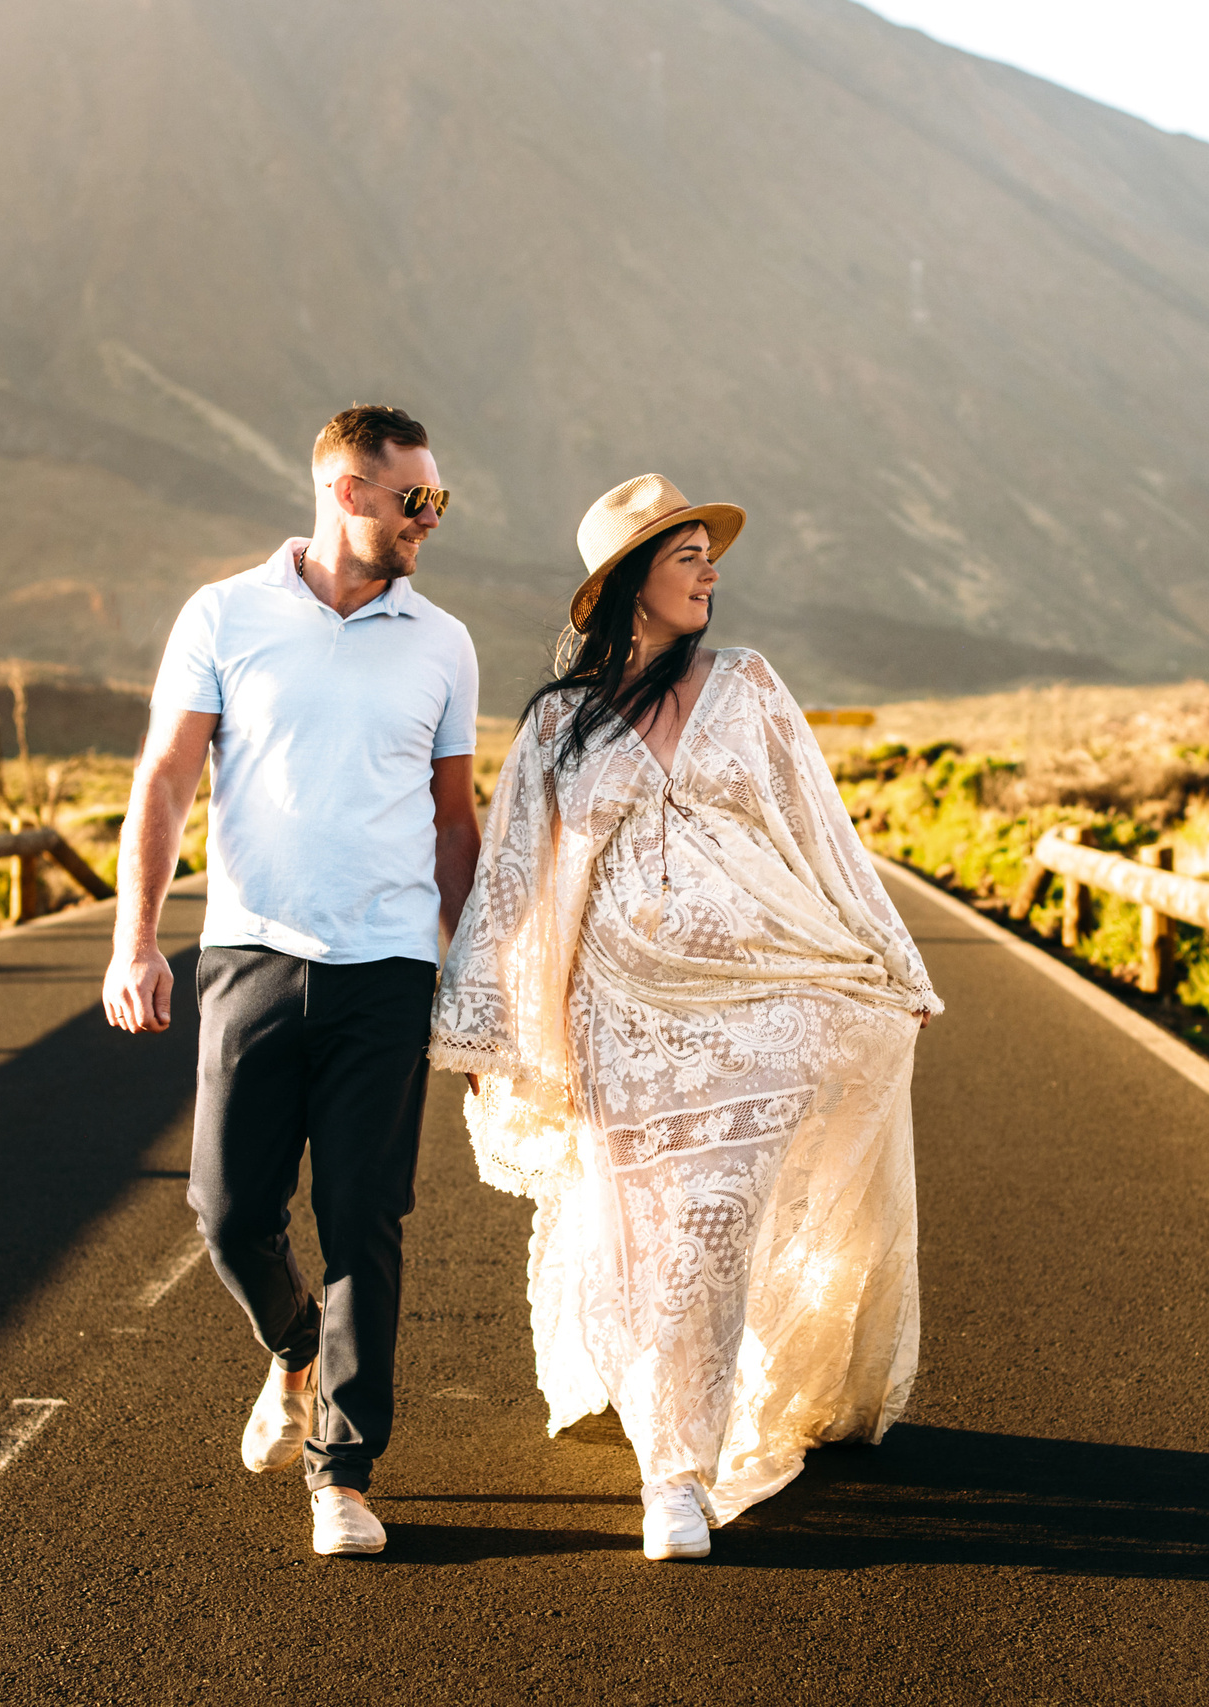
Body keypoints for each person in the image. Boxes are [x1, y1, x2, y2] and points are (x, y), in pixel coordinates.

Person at [430, 473, 939, 1561]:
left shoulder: (749, 687)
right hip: (622, 1019)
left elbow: (824, 837)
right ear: (626, 585)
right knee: (646, 1235)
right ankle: (673, 1454)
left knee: (711, 1230)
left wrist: (896, 966)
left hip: (765, 1001)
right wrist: (481, 1028)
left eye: (711, 552)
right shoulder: (561, 726)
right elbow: (513, 878)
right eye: (685, 554)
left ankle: (678, 1472)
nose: (710, 569)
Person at [103, 403, 481, 1558]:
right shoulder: (224, 615)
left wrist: (470, 978)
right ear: (347, 493)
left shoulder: (443, 642)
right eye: (415, 498)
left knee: (366, 1217)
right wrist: (136, 939)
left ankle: (344, 1472)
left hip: (387, 969)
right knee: (224, 1214)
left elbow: (452, 820)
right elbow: (165, 782)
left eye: (439, 500)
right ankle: (295, 1349)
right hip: (250, 956)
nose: (431, 519)